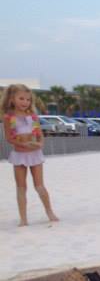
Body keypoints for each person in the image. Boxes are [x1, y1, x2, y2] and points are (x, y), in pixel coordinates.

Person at [2, 84, 58, 226]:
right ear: (12, 99)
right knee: (21, 187)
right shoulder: (8, 117)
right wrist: (22, 144)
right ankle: (23, 218)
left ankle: (49, 211)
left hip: (35, 154)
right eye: (21, 98)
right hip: (19, 155)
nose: (25, 102)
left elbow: (39, 134)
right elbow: (9, 137)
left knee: (39, 186)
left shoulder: (32, 116)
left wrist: (40, 144)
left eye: (28, 99)